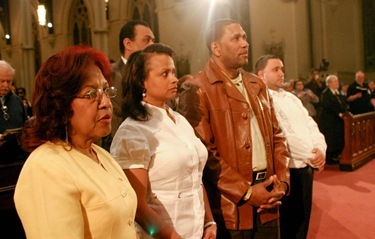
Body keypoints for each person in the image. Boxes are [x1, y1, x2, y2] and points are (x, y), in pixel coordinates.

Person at [177, 19, 290, 239]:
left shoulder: (257, 84)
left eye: (245, 37)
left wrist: (282, 184)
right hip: (230, 203)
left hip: (269, 195)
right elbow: (205, 154)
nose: (245, 43)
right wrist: (246, 192)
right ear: (215, 47)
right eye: (236, 38)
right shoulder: (197, 88)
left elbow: (278, 137)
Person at [14, 45, 138, 239]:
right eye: (91, 94)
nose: (106, 102)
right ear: (60, 103)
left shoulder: (99, 153)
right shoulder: (46, 167)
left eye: (106, 90)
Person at [110, 43, 216, 239]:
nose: (174, 79)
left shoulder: (179, 120)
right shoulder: (133, 131)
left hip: (197, 231)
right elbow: (137, 206)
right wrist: (172, 236)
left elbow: (195, 177)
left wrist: (209, 221)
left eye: (173, 72)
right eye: (164, 74)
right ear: (142, 82)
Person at [255, 54, 326, 239]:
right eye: (275, 69)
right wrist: (312, 155)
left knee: (304, 220)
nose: (282, 73)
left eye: (282, 69)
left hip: (306, 167)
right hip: (287, 170)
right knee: (288, 225)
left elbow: (310, 124)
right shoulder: (263, 100)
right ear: (261, 74)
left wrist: (321, 149)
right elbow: (282, 136)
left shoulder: (292, 98)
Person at [103, 20, 155, 151]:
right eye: (147, 40)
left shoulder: (156, 75)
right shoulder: (114, 77)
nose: (152, 45)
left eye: (153, 40)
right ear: (128, 44)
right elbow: (118, 126)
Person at [0, 60, 28, 162]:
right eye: (2, 81)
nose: (6, 85)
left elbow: (25, 125)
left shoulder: (16, 100)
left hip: (16, 157)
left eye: (9, 81)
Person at [319, 75, 348, 164]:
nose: (337, 83)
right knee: (330, 138)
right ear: (329, 83)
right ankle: (329, 157)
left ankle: (336, 154)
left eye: (337, 81)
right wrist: (338, 113)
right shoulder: (326, 93)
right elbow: (327, 105)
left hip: (336, 120)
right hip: (329, 120)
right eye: (335, 82)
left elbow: (341, 104)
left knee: (336, 137)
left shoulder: (336, 92)